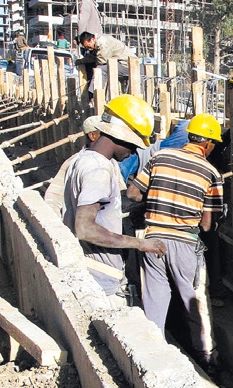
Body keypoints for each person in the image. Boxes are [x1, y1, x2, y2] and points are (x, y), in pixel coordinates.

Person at [126, 113, 225, 370]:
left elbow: (134, 193)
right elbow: (206, 224)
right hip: (185, 243)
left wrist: (158, 201)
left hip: (153, 240)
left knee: (155, 299)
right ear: (208, 144)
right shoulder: (211, 173)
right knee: (194, 301)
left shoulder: (159, 157)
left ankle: (152, 358)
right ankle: (207, 359)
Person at [62, 94, 166, 304]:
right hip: (99, 279)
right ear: (120, 135)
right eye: (132, 144)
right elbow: (85, 228)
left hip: (91, 271)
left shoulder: (82, 159)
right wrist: (140, 243)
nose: (134, 151)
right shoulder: (98, 169)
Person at [44, 115, 103, 216]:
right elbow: (52, 199)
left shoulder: (111, 162)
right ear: (92, 136)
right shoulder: (74, 162)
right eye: (105, 134)